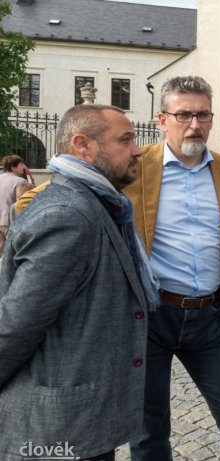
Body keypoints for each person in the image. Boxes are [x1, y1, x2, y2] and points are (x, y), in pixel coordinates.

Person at [124, 76, 220, 461]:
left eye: (203, 114)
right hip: (151, 316)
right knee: (149, 430)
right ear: (162, 119)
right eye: (184, 114)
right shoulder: (137, 167)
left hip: (211, 318)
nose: (194, 124)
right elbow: (54, 195)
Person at [0, 104, 153, 461]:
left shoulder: (96, 202)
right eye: (125, 140)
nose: (138, 149)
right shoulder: (68, 215)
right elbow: (16, 324)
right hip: (58, 427)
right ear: (83, 145)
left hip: (83, 419)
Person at [0, 155, 32, 253]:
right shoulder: (20, 182)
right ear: (13, 167)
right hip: (9, 222)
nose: (23, 167)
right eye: (21, 165)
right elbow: (21, 202)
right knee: (12, 253)